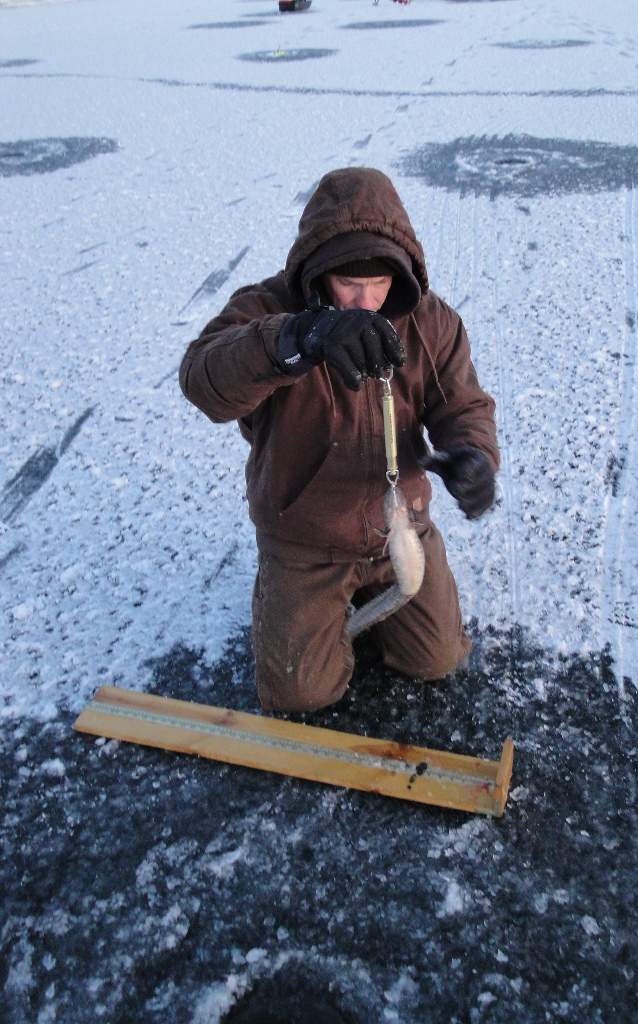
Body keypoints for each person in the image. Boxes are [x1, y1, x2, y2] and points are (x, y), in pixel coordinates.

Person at [179, 167, 499, 713]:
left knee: (438, 658)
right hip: (307, 536)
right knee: (299, 695)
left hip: (399, 528)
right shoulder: (268, 309)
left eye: (380, 285)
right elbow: (203, 380)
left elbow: (462, 404)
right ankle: (296, 606)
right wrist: (302, 338)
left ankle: (367, 608)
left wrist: (473, 456)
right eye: (351, 284)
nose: (367, 300)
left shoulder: (430, 321)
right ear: (319, 269)